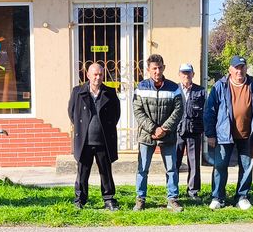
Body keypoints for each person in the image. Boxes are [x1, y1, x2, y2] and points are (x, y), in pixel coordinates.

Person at [203, 55, 253, 211]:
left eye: (242, 67)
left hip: (249, 134)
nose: (239, 71)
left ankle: (242, 196)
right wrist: (210, 134)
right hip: (224, 134)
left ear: (246, 68)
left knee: (247, 166)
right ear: (230, 69)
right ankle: (218, 197)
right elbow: (209, 111)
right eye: (236, 68)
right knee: (220, 165)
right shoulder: (220, 86)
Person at [132, 53, 183, 212]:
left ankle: (172, 199)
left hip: (168, 135)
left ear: (164, 68)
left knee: (171, 168)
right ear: (148, 70)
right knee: (143, 168)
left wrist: (164, 129)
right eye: (154, 68)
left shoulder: (174, 88)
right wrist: (153, 129)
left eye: (160, 68)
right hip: (147, 135)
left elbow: (178, 110)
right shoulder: (141, 87)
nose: (157, 71)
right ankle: (140, 199)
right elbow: (137, 110)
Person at [67, 62, 121, 211]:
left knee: (106, 172)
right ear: (88, 75)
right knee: (82, 173)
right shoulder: (78, 91)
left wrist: (106, 127)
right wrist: (83, 128)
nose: (98, 77)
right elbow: (72, 113)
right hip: (84, 140)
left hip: (103, 140)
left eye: (100, 74)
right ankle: (80, 200)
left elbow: (116, 114)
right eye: (95, 74)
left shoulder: (110, 92)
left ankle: (109, 199)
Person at [174, 63, 206, 200]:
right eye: (183, 73)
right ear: (179, 75)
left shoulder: (201, 91)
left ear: (193, 74)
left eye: (188, 73)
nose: (186, 75)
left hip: (194, 130)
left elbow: (206, 112)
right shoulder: (174, 90)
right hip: (176, 131)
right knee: (174, 162)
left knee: (194, 162)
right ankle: (172, 191)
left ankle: (193, 191)